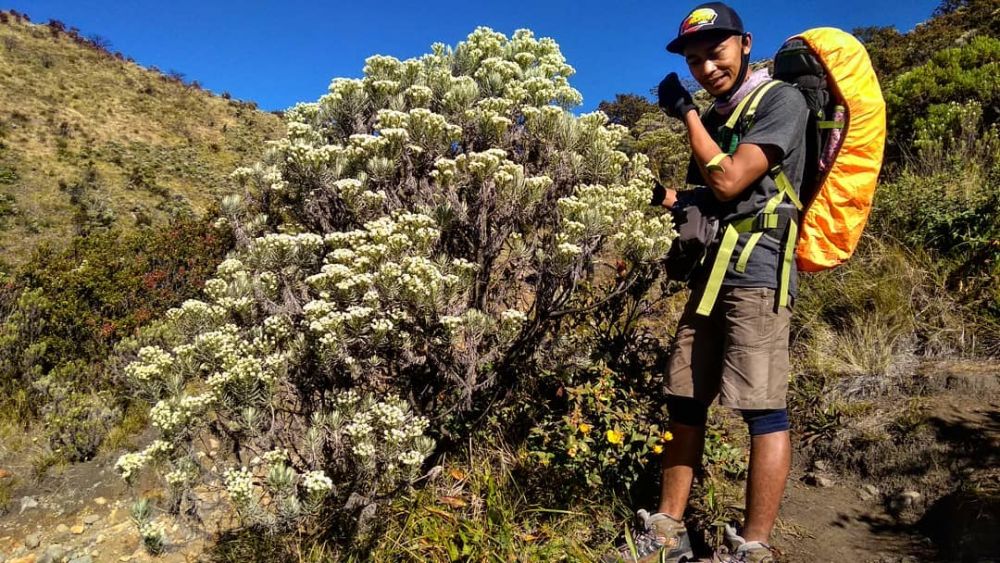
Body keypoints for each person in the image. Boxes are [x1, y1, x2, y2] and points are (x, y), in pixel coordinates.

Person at [605, 3, 809, 562]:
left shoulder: (780, 102)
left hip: (759, 271)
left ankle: (754, 548)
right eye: (694, 60)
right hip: (711, 275)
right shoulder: (723, 115)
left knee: (762, 408)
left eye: (714, 52)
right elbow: (707, 199)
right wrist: (659, 196)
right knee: (684, 400)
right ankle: (667, 532)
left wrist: (688, 115)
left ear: (745, 44)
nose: (705, 67)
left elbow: (731, 180)